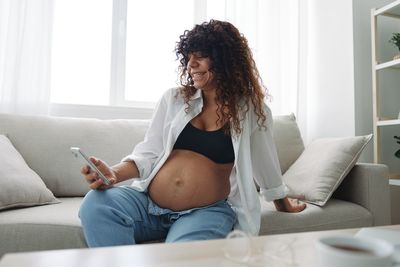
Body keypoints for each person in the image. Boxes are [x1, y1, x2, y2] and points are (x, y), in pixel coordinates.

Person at [79, 19, 306, 247]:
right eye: (188, 57)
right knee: (96, 203)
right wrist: (113, 174)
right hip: (146, 203)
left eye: (200, 56)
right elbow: (148, 153)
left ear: (225, 59)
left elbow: (266, 166)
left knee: (180, 257)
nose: (191, 65)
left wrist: (283, 204)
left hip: (205, 213)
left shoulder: (252, 111)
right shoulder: (174, 99)